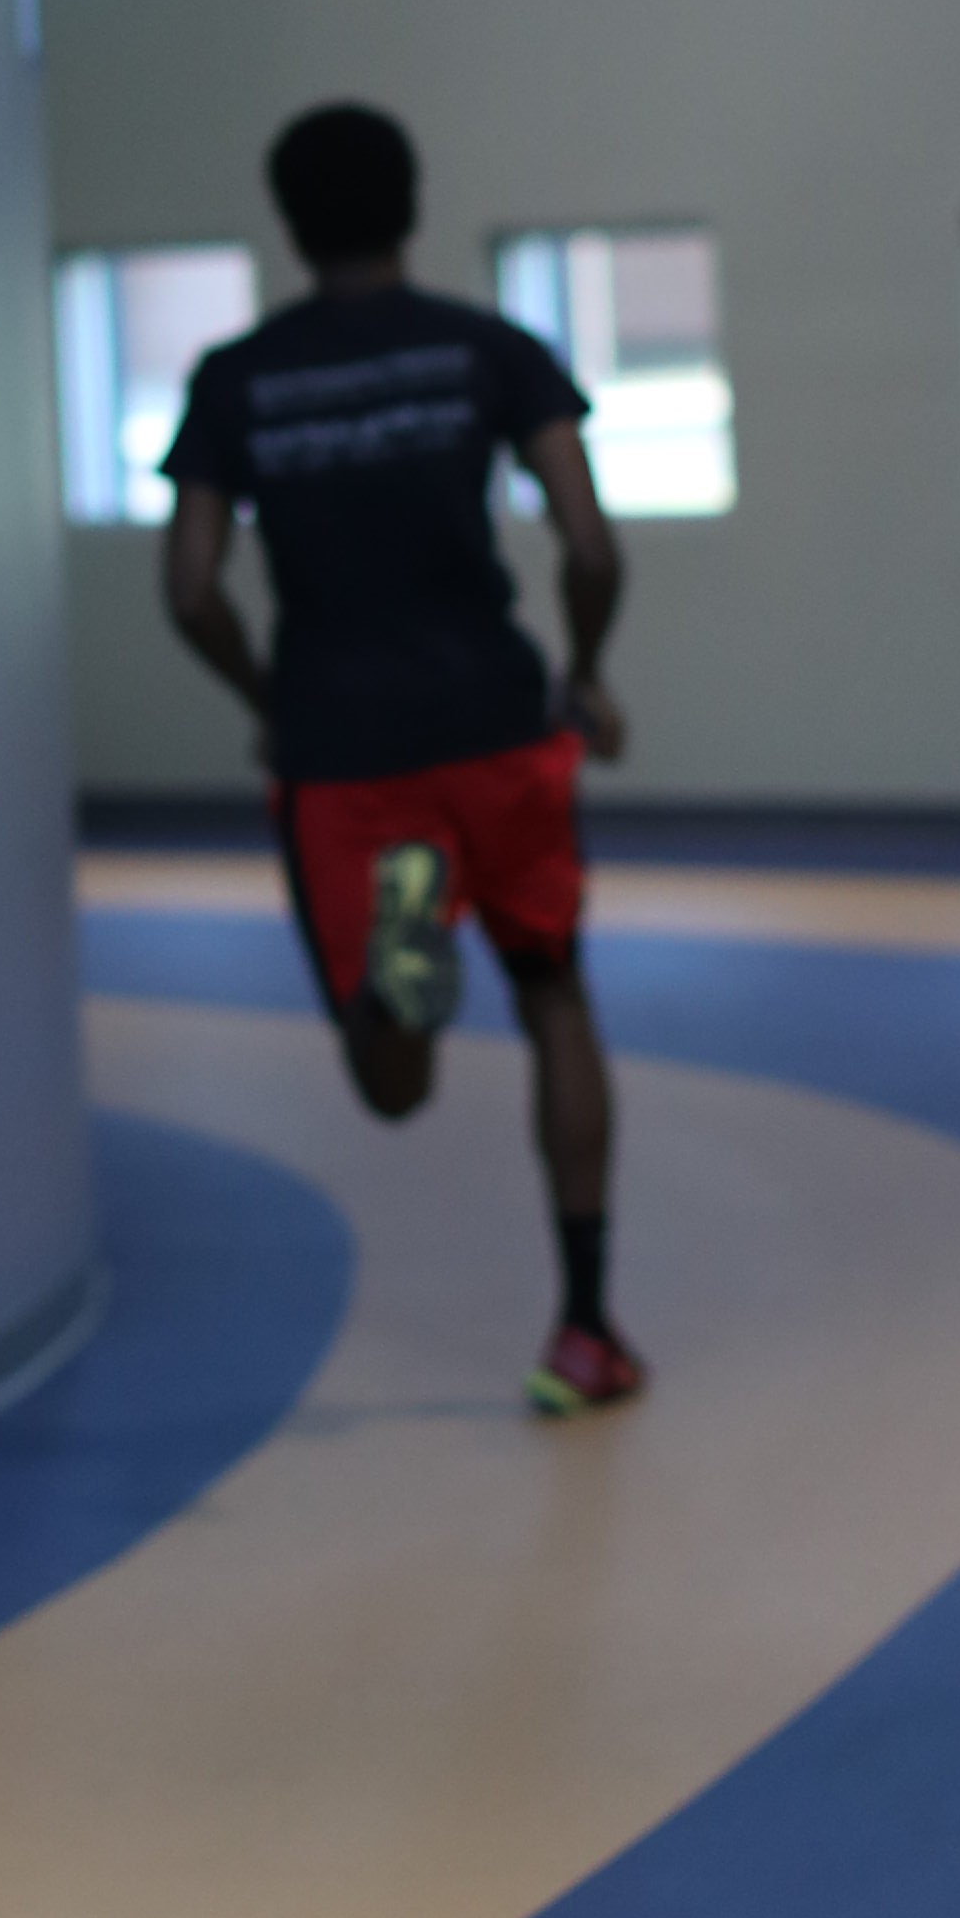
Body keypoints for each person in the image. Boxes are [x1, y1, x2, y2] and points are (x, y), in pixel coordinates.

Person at [158, 100, 645, 1416]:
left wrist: (265, 692)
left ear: (288, 222)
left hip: (350, 756)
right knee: (555, 998)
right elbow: (589, 547)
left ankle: (406, 969)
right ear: (413, 203)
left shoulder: (238, 380)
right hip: (498, 729)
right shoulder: (491, 351)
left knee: (397, 1086)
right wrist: (585, 673)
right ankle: (587, 1327)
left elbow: (192, 584)